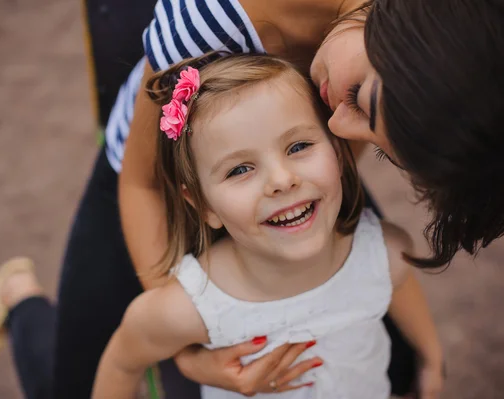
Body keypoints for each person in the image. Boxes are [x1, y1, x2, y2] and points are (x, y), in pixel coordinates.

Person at [0, 0, 504, 397]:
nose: (341, 122)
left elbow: (337, 157)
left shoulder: (343, 114)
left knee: (400, 365)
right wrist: (195, 351)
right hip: (156, 179)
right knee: (72, 385)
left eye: (372, 141)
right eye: (359, 98)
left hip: (284, 175)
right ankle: (21, 299)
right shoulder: (205, 20)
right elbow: (144, 185)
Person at [92, 53, 444, 399]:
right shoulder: (188, 307)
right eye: (240, 169)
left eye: (299, 146)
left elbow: (399, 284)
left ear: (338, 152)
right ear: (203, 205)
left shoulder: (383, 252)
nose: (281, 180)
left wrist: (432, 357)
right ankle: (32, 300)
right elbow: (123, 363)